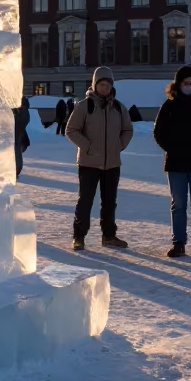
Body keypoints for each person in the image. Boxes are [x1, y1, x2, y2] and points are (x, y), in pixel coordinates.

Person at [66, 66, 133, 251]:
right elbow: (71, 130)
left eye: (107, 85)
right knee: (85, 200)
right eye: (101, 84)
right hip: (89, 163)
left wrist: (119, 145)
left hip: (112, 164)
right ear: (95, 85)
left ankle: (109, 236)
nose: (105, 88)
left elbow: (127, 129)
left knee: (110, 201)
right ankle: (79, 236)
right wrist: (87, 146)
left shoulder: (119, 108)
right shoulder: (84, 106)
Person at [153, 66, 191, 259]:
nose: (189, 86)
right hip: (176, 163)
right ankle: (178, 242)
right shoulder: (170, 105)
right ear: (178, 84)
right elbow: (158, 132)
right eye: (185, 82)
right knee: (179, 204)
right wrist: (171, 148)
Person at [13, 96, 30, 178]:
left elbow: (19, 121)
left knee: (15, 149)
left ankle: (16, 169)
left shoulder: (21, 111)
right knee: (17, 148)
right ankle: (16, 169)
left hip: (16, 131)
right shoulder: (25, 111)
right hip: (19, 132)